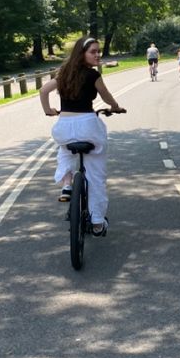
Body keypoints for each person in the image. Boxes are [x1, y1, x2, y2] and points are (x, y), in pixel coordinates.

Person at [39, 36, 124, 236]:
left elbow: (43, 91)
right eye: (93, 51)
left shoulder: (64, 73)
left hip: (64, 126)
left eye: (98, 51)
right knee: (95, 175)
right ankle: (96, 222)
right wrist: (115, 107)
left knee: (65, 150)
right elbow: (106, 96)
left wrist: (49, 110)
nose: (97, 55)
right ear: (82, 54)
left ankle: (67, 184)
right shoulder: (93, 75)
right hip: (88, 126)